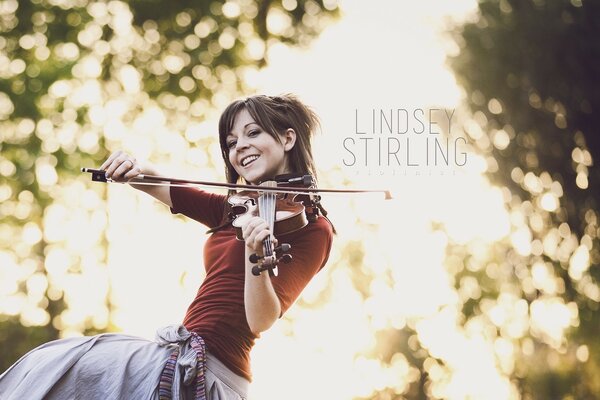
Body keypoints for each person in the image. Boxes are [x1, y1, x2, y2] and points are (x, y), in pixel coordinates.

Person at [0, 94, 334, 399]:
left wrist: (255, 254)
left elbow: (261, 320)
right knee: (65, 364)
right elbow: (164, 185)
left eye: (253, 133)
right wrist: (134, 168)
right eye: (231, 142)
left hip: (217, 371)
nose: (239, 147)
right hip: (178, 353)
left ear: (288, 138)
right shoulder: (235, 208)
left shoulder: (315, 228)